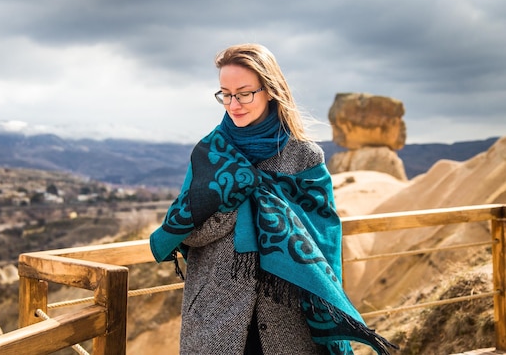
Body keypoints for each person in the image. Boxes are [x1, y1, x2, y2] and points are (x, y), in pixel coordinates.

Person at [150, 43, 395, 354]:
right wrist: (233, 205)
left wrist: (249, 200)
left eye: (244, 93)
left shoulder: (304, 156)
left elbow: (322, 238)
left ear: (269, 90)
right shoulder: (209, 152)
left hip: (287, 319)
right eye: (225, 93)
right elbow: (187, 230)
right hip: (215, 313)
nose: (233, 103)